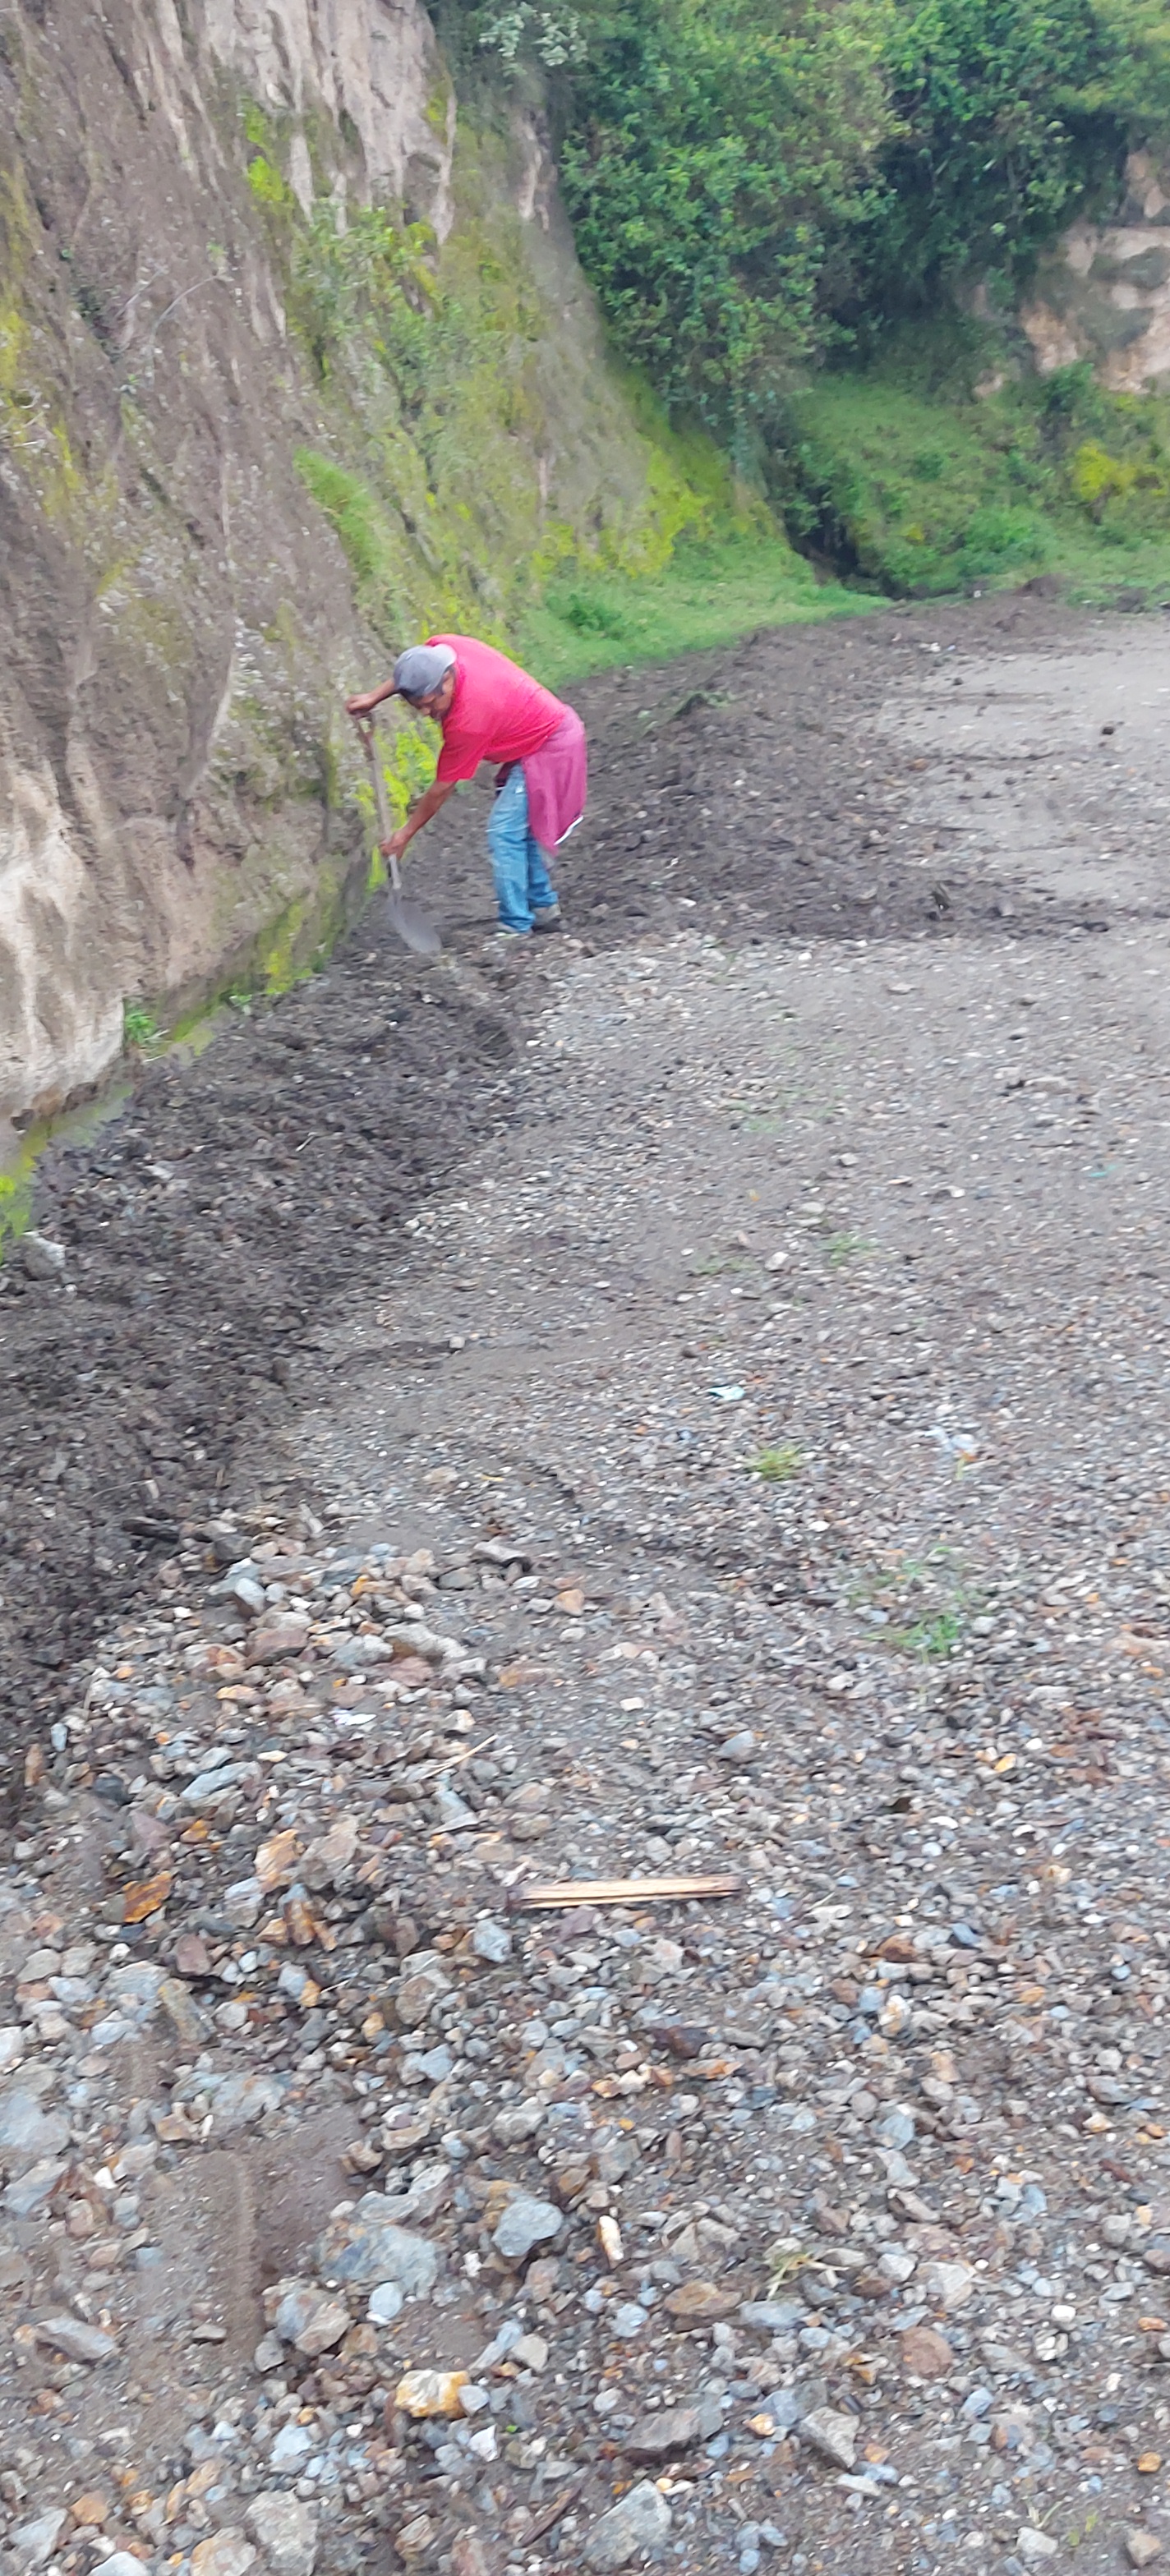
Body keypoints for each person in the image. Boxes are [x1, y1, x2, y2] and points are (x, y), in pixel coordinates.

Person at [346, 635, 587, 940]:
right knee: (521, 831)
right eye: (418, 706)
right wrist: (373, 697)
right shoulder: (444, 650)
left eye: (430, 704)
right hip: (540, 733)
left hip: (551, 745)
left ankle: (515, 926)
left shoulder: (468, 719)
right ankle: (543, 909)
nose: (426, 713)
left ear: (447, 680)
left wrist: (405, 834)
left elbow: (441, 788)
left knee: (505, 831)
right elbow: (410, 674)